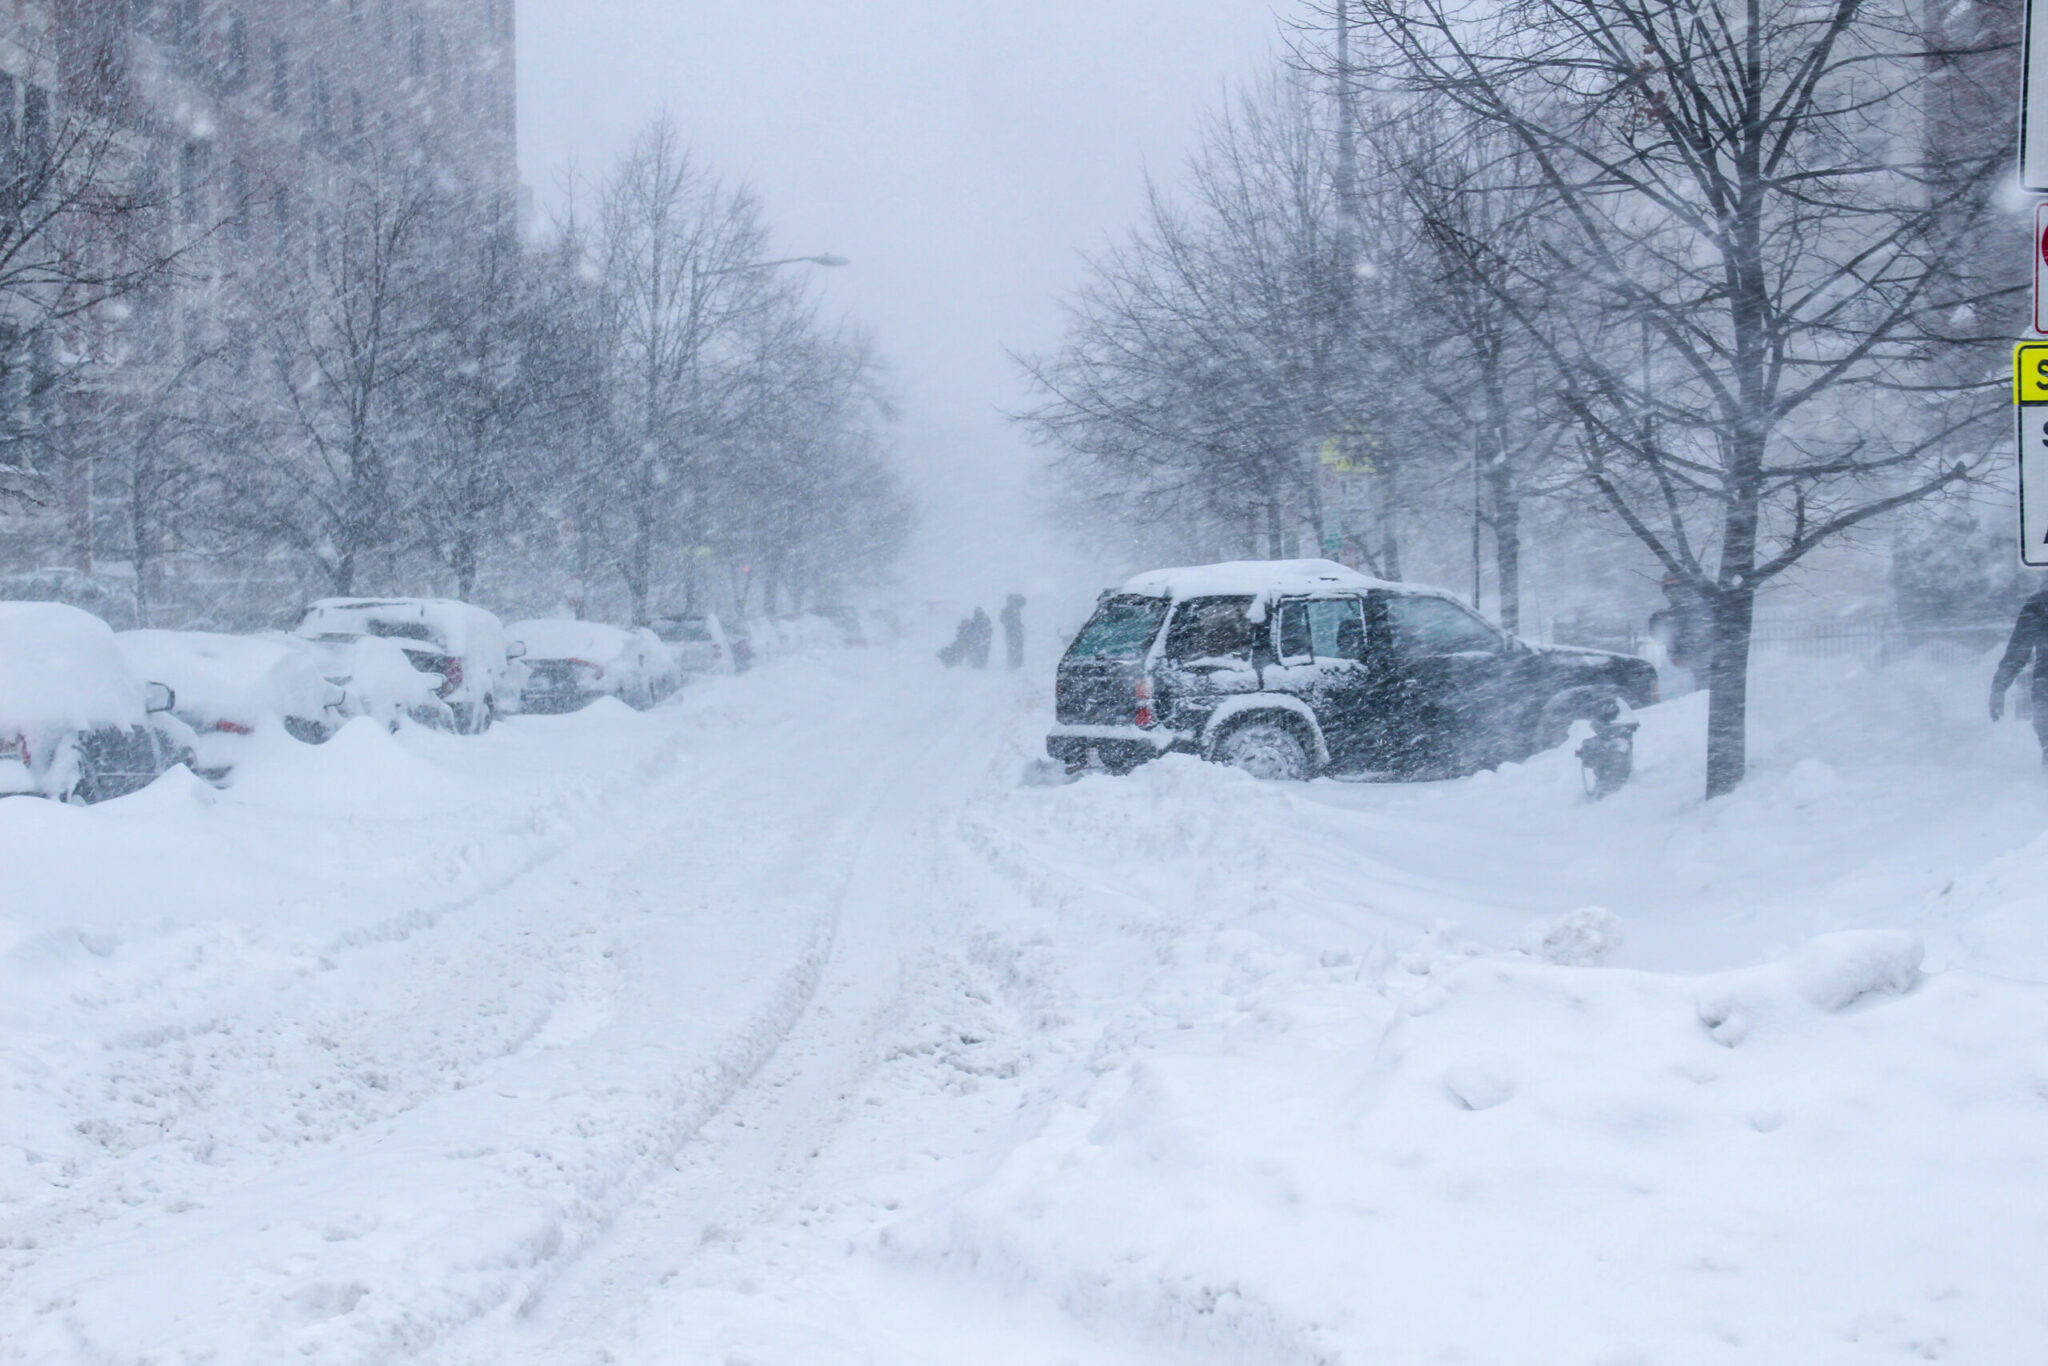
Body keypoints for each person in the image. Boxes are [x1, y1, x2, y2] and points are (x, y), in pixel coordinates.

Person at [1991, 587, 2048, 762]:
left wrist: (1999, 688)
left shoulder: (2040, 604)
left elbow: (2018, 652)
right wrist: (1998, 688)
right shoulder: (2040, 604)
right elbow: (2018, 651)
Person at [1000, 593, 1026, 670]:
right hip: (1011, 633)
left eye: (1013, 601)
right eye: (1010, 601)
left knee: (1018, 648)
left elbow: (1024, 601)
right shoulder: (1007, 610)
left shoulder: (1016, 608)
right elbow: (1002, 620)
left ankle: (1017, 665)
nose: (1011, 602)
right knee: (1012, 649)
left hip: (1016, 633)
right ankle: (1012, 665)